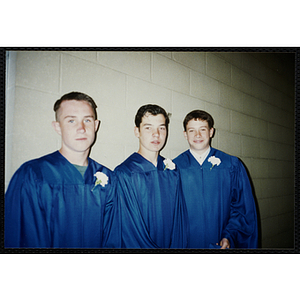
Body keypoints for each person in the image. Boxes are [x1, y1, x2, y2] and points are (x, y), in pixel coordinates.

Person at [5, 91, 120, 248]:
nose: (81, 128)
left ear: (96, 125)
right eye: (71, 121)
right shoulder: (33, 175)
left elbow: (113, 240)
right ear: (57, 127)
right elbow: (19, 238)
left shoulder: (109, 178)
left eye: (87, 120)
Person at [173, 110, 258, 249]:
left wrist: (229, 236)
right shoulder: (174, 168)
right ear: (185, 134)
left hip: (220, 243)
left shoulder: (231, 165)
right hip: (186, 244)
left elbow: (241, 208)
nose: (198, 135)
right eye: (192, 130)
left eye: (203, 129)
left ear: (211, 132)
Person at [114, 104, 189, 248]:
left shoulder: (172, 172)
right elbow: (129, 231)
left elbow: (179, 221)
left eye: (161, 128)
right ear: (137, 131)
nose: (156, 134)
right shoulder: (124, 174)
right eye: (148, 128)